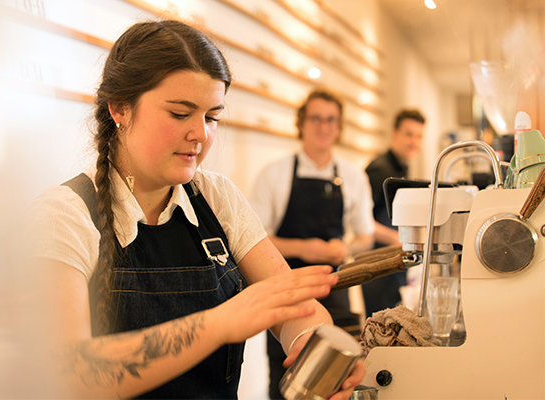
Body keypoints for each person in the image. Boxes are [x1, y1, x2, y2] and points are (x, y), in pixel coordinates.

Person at [26, 21, 365, 399]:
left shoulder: (217, 198)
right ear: (120, 107)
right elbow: (69, 373)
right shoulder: (64, 215)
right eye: (180, 113)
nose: (201, 134)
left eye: (212, 117)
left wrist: (311, 344)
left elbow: (294, 307)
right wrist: (220, 323)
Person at [249, 89, 374, 400]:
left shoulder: (353, 176)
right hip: (284, 288)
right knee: (284, 373)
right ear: (301, 124)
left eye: (331, 120)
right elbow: (253, 239)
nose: (324, 126)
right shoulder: (274, 174)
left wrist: (346, 249)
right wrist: (302, 249)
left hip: (336, 287)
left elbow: (365, 236)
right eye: (316, 118)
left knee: (338, 378)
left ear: (339, 127)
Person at [362, 109, 425, 316]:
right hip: (377, 267)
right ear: (394, 134)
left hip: (394, 265)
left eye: (418, 136)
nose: (414, 141)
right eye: (409, 134)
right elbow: (363, 222)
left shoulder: (401, 169)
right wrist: (399, 239)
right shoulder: (379, 170)